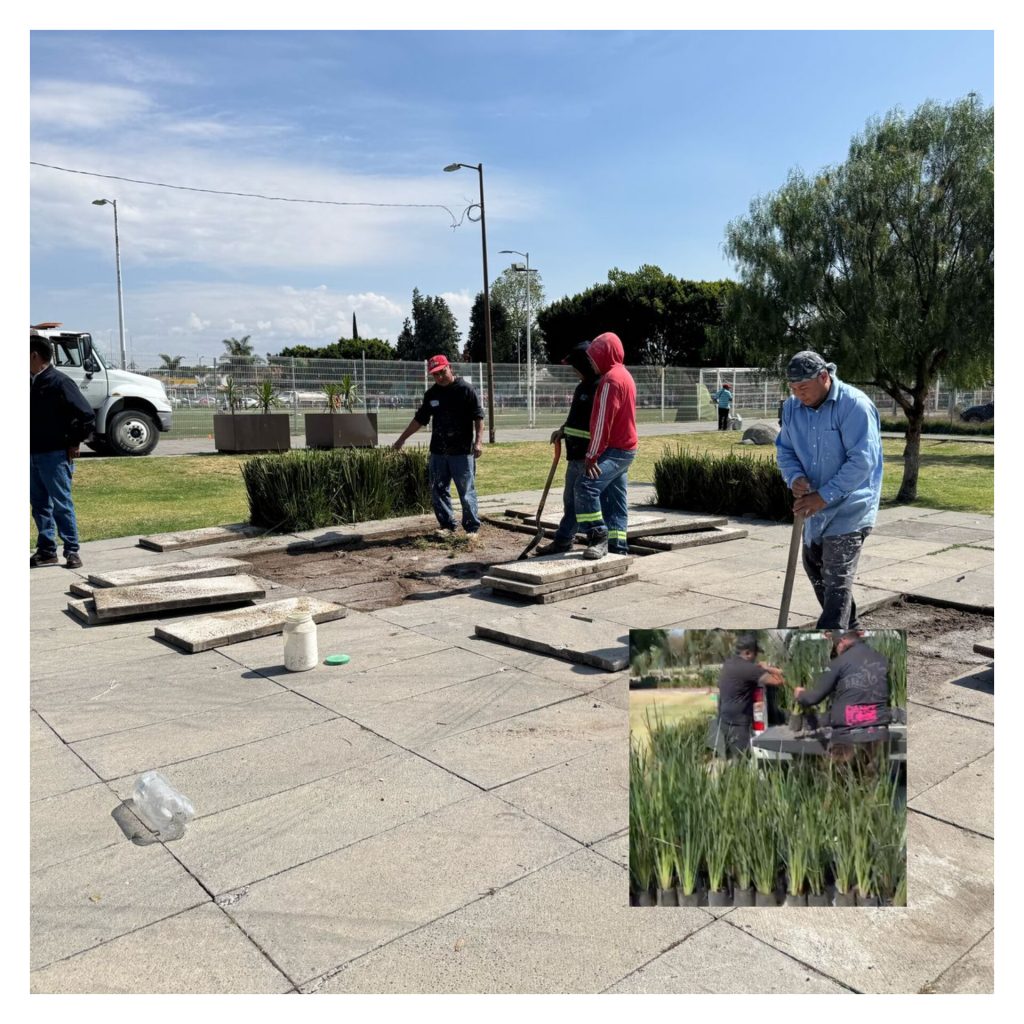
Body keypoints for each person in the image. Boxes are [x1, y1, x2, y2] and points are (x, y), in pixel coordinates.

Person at [776, 350, 883, 630]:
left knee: (837, 579)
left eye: (804, 388)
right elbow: (785, 449)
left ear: (824, 377)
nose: (799, 394)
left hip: (851, 505)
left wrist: (823, 496)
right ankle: (855, 634)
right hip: (814, 510)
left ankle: (828, 647)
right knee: (816, 570)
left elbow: (862, 461)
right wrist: (794, 476)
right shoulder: (791, 408)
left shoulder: (854, 405)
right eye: (793, 389)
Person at [392, 354, 484, 536]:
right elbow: (420, 419)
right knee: (438, 488)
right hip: (439, 451)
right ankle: (447, 526)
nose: (439, 378)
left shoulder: (465, 390)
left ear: (449, 367)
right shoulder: (432, 394)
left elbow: (478, 417)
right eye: (435, 375)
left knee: (466, 491)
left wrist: (478, 442)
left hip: (462, 451)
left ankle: (471, 529)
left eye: (442, 372)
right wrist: (401, 439)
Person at [30, 333, 96, 569]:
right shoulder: (28, 382)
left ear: (34, 355)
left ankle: (71, 550)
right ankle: (47, 550)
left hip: (55, 456)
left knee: (61, 503)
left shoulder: (60, 382)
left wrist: (73, 442)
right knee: (39, 505)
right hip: (31, 455)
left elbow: (86, 416)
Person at [574, 332, 638, 559]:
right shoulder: (625, 375)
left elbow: (602, 422)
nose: (591, 362)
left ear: (604, 355)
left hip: (615, 449)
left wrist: (591, 455)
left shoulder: (610, 381)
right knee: (616, 496)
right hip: (627, 448)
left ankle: (597, 536)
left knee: (585, 487)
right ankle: (618, 546)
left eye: (594, 357)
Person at [534, 341, 601, 556]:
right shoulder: (582, 386)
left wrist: (593, 451)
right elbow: (576, 418)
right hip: (574, 454)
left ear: (586, 364)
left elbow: (599, 423)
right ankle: (563, 541)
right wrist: (563, 429)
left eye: (575, 367)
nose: (573, 372)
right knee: (570, 501)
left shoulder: (600, 387)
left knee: (584, 501)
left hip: (588, 456)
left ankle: (597, 540)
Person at [794, 630, 890, 762]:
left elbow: (814, 698)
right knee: (874, 779)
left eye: (835, 644)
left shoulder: (839, 662)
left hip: (847, 738)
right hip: (878, 735)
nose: (836, 648)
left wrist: (800, 694)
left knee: (841, 779)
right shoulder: (881, 659)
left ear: (843, 640)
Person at [712, 633, 786, 757]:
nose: (756, 658)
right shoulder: (750, 669)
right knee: (742, 762)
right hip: (738, 725)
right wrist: (767, 668)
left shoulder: (728, 664)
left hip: (724, 720)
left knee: (731, 760)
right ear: (748, 653)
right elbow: (780, 680)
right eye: (755, 654)